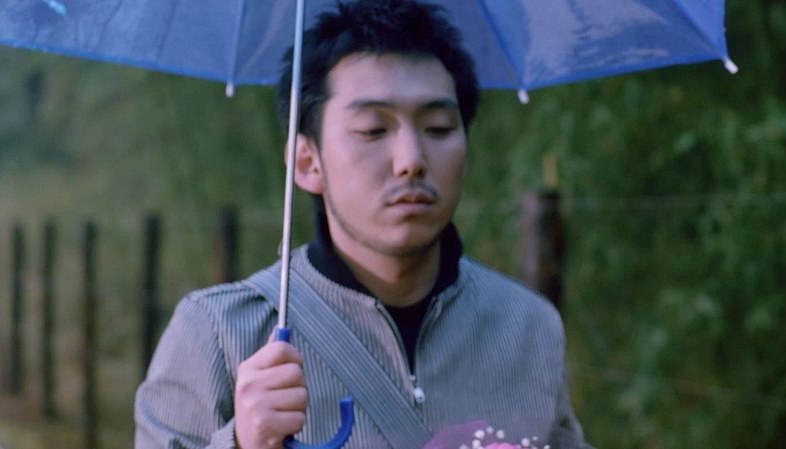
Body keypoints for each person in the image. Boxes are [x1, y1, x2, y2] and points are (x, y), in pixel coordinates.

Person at [135, 1, 594, 448]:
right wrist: (242, 443)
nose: (411, 160)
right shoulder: (218, 333)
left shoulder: (526, 327)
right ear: (307, 161)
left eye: (438, 128)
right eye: (374, 130)